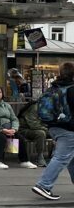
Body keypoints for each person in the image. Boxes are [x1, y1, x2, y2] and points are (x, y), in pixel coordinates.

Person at [33, 62, 74, 200]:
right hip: (69, 129)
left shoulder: (54, 87)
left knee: (71, 157)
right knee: (61, 157)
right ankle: (44, 185)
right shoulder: (71, 89)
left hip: (54, 127)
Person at [0, 86, 36, 170]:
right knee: (1, 137)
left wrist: (14, 129)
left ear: (2, 94)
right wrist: (2, 130)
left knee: (20, 138)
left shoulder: (6, 105)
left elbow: (14, 119)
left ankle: (24, 161)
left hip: (7, 129)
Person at [17, 98, 49, 168]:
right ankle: (40, 156)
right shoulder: (35, 107)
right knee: (41, 133)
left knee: (60, 132)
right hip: (25, 129)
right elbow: (33, 124)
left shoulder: (49, 107)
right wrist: (48, 129)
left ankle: (56, 155)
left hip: (41, 127)